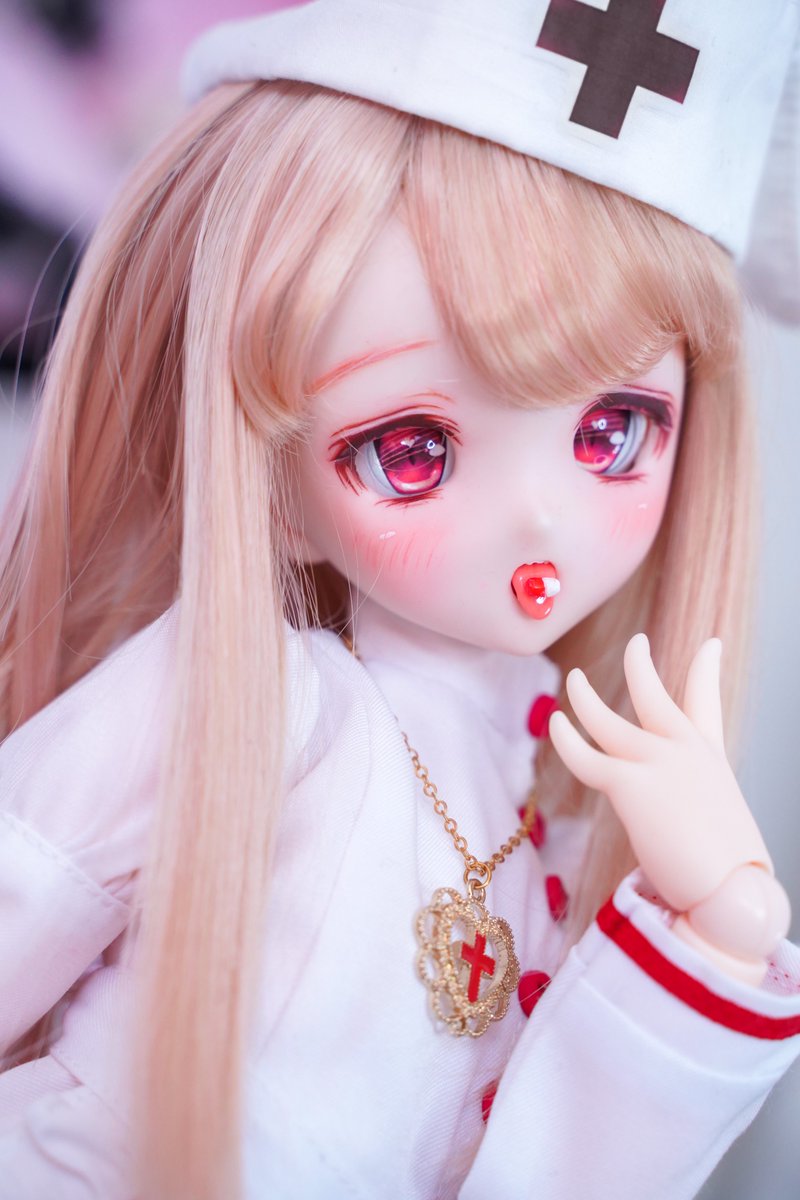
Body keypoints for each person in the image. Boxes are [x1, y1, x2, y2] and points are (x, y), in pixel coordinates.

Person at [1, 2, 799, 1197]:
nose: (538, 520)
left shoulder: (550, 818)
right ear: (271, 479)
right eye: (410, 450)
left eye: (612, 431)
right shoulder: (243, 709)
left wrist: (717, 933)